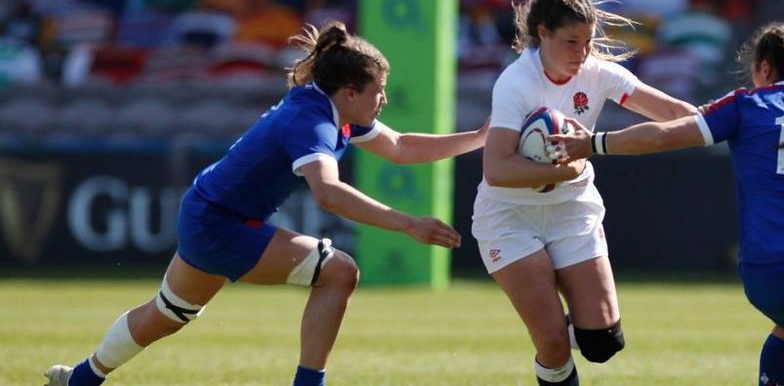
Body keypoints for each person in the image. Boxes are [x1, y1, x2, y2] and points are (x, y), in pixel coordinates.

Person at [44, 20, 488, 386]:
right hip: (221, 224)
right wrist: (407, 224)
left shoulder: (327, 107)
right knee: (339, 272)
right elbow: (328, 193)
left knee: (167, 314)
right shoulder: (311, 121)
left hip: (205, 212)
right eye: (379, 90)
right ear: (350, 92)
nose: (384, 99)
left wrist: (481, 137)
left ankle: (80, 379)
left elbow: (403, 147)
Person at [549, 23, 784, 385]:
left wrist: (594, 143)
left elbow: (665, 136)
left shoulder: (745, 105)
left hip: (764, 272)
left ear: (764, 67)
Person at [473, 0, 697, 385]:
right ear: (543, 34)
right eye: (571, 42)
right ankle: (551, 345)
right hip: (510, 218)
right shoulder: (516, 82)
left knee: (603, 342)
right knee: (554, 342)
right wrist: (565, 168)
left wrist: (729, 120)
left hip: (571, 210)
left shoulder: (597, 72)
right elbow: (497, 168)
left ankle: (565, 325)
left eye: (588, 41)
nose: (583, 52)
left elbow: (670, 110)